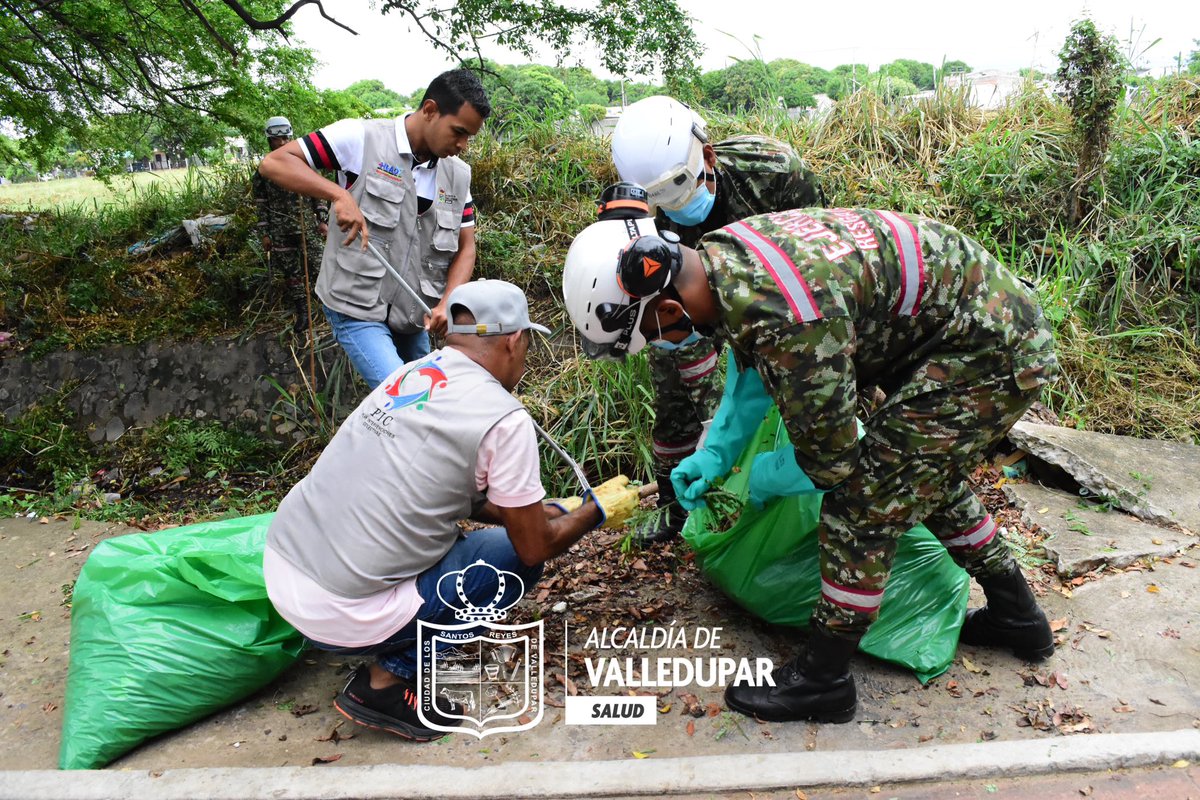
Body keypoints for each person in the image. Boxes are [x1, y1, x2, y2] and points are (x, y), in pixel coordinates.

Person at [561, 207, 1059, 724]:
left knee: (864, 504)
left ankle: (824, 679)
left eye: (654, 337)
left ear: (666, 309)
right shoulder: (722, 256)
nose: (664, 346)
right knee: (915, 474)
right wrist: (716, 453)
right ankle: (1017, 616)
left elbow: (832, 462)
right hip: (967, 327)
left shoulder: (789, 319)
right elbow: (752, 364)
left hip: (990, 351)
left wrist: (761, 478)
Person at [264, 279, 641, 741]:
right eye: (527, 346)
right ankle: (387, 680)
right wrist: (595, 511)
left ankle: (383, 637)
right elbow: (532, 547)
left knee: (480, 540)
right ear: (514, 339)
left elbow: (444, 489)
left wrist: (536, 509)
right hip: (340, 615)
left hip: (285, 577)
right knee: (509, 563)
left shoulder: (413, 373)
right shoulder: (505, 419)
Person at [609, 95, 825, 545]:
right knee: (674, 390)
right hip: (690, 293)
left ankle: (781, 499)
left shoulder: (776, 173)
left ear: (708, 156)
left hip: (779, 301)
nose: (673, 208)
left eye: (679, 194)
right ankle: (676, 504)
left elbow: (816, 261)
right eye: (659, 202)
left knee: (799, 393)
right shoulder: (649, 208)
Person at [258, 70, 490, 389]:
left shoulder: (458, 176)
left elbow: (467, 248)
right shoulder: (360, 138)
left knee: (432, 397)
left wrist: (447, 301)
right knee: (407, 398)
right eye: (459, 132)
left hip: (412, 316)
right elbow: (275, 162)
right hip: (355, 306)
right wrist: (338, 194)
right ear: (430, 111)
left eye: (469, 137)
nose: (463, 145)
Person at [250, 116, 329, 336]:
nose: (283, 143)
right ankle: (303, 313)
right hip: (280, 231)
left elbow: (319, 192)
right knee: (292, 275)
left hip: (307, 229)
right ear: (270, 140)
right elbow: (261, 202)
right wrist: (265, 233)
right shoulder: (265, 169)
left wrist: (322, 219)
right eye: (278, 139)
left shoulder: (303, 162)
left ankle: (330, 312)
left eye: (286, 138)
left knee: (321, 268)